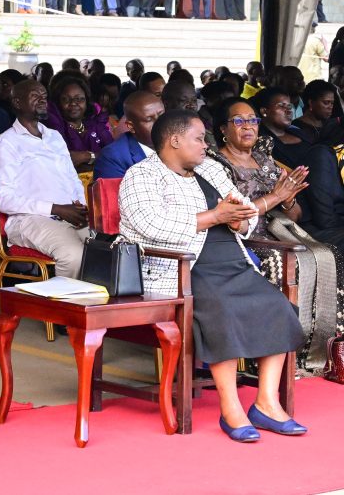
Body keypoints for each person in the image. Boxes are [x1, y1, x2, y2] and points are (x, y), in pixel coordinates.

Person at [119, 110, 306, 441]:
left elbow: (245, 212)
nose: (206, 145)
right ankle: (231, 407)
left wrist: (238, 222)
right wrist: (213, 215)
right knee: (222, 310)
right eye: (199, 138)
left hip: (231, 263)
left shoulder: (211, 169)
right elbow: (150, 224)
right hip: (183, 268)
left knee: (275, 305)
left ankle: (265, 403)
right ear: (175, 141)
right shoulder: (142, 175)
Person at [207, 97, 344, 369]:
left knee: (327, 255)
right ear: (223, 128)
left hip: (282, 233)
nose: (248, 127)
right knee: (284, 262)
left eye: (253, 121)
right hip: (243, 237)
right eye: (239, 121)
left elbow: (294, 216)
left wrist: (289, 198)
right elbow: (234, 214)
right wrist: (275, 195)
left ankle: (321, 348)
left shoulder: (265, 159)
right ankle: (277, 353)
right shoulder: (216, 165)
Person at [0, 79, 90, 277]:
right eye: (35, 96)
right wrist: (55, 209)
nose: (42, 100)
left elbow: (73, 179)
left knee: (106, 251)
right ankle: (63, 307)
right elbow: (5, 199)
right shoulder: (7, 143)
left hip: (69, 215)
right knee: (73, 255)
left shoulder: (54, 137)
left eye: (44, 96)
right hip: (29, 220)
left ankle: (90, 305)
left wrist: (82, 207)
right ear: (17, 102)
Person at [46, 75, 113, 171]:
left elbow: (113, 154)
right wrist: (98, 159)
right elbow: (63, 163)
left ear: (87, 101)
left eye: (79, 99)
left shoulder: (94, 125)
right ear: (58, 103)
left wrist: (85, 156)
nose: (73, 103)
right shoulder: (54, 129)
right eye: (66, 99)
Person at [94, 91, 165, 178]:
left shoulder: (179, 141)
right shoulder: (112, 157)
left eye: (162, 115)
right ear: (131, 127)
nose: (160, 123)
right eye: (149, 119)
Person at [293, 79, 342, 144]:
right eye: (326, 103)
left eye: (332, 103)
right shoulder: (295, 128)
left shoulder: (331, 125)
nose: (330, 107)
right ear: (311, 102)